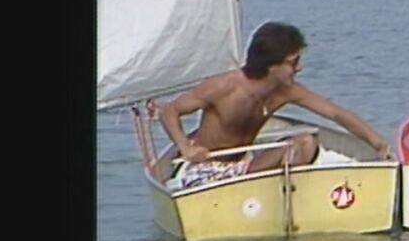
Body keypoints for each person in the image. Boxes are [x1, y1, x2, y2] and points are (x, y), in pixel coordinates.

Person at [159, 21, 394, 188]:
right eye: (293, 62)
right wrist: (186, 147)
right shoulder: (223, 87)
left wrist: (378, 143)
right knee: (301, 144)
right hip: (206, 172)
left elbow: (335, 113)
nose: (299, 68)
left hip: (244, 168)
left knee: (305, 143)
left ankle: (283, 196)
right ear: (271, 65)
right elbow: (169, 111)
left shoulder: (286, 91)